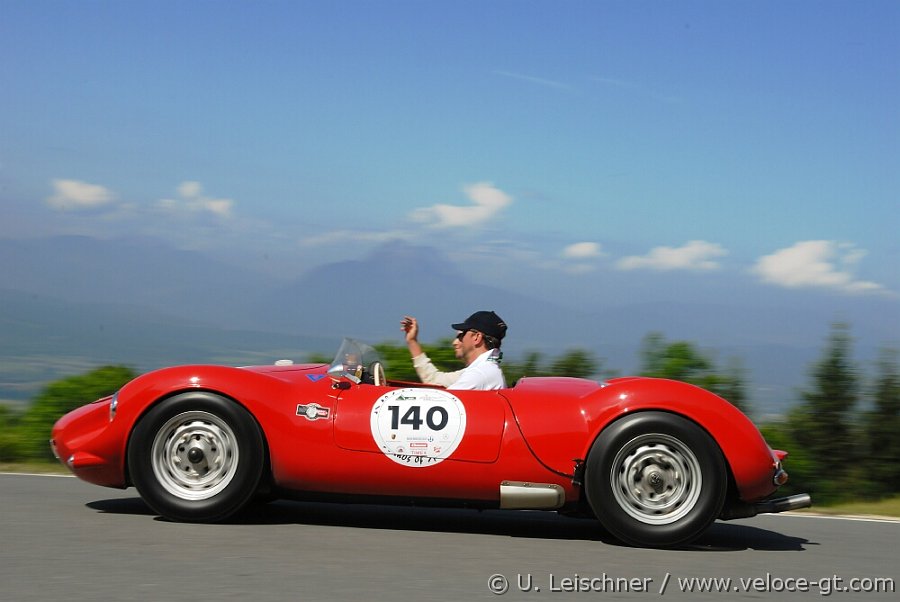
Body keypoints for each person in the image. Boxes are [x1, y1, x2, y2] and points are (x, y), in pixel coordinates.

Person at [400, 311, 507, 390]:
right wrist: (412, 341)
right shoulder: (482, 370)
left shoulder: (479, 374)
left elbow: (443, 402)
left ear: (476, 337)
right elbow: (434, 380)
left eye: (461, 335)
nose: (455, 342)